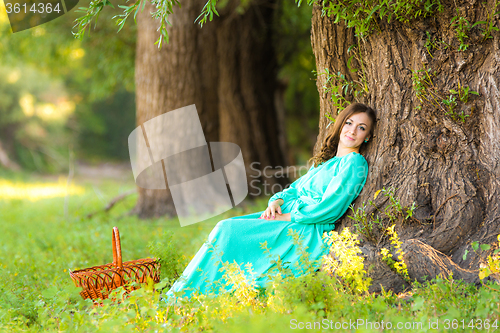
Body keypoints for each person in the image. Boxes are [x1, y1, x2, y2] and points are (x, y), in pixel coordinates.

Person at [164, 102, 377, 302]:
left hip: (305, 227)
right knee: (225, 231)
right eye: (349, 123)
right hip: (286, 215)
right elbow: (295, 189)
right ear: (341, 125)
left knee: (227, 230)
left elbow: (330, 207)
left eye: (361, 128)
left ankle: (189, 295)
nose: (352, 130)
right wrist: (276, 201)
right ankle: (185, 293)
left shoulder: (353, 162)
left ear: (367, 137)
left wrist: (287, 216)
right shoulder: (325, 163)